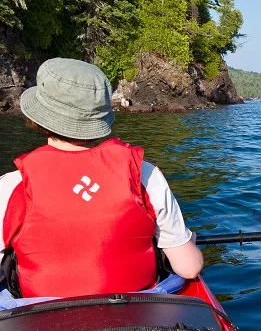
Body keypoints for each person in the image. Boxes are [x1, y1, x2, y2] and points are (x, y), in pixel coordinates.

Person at [0, 58, 203, 298]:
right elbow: (189, 268)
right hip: (137, 316)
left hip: (43, 317)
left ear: (38, 118)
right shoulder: (144, 175)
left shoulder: (13, 185)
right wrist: (188, 240)